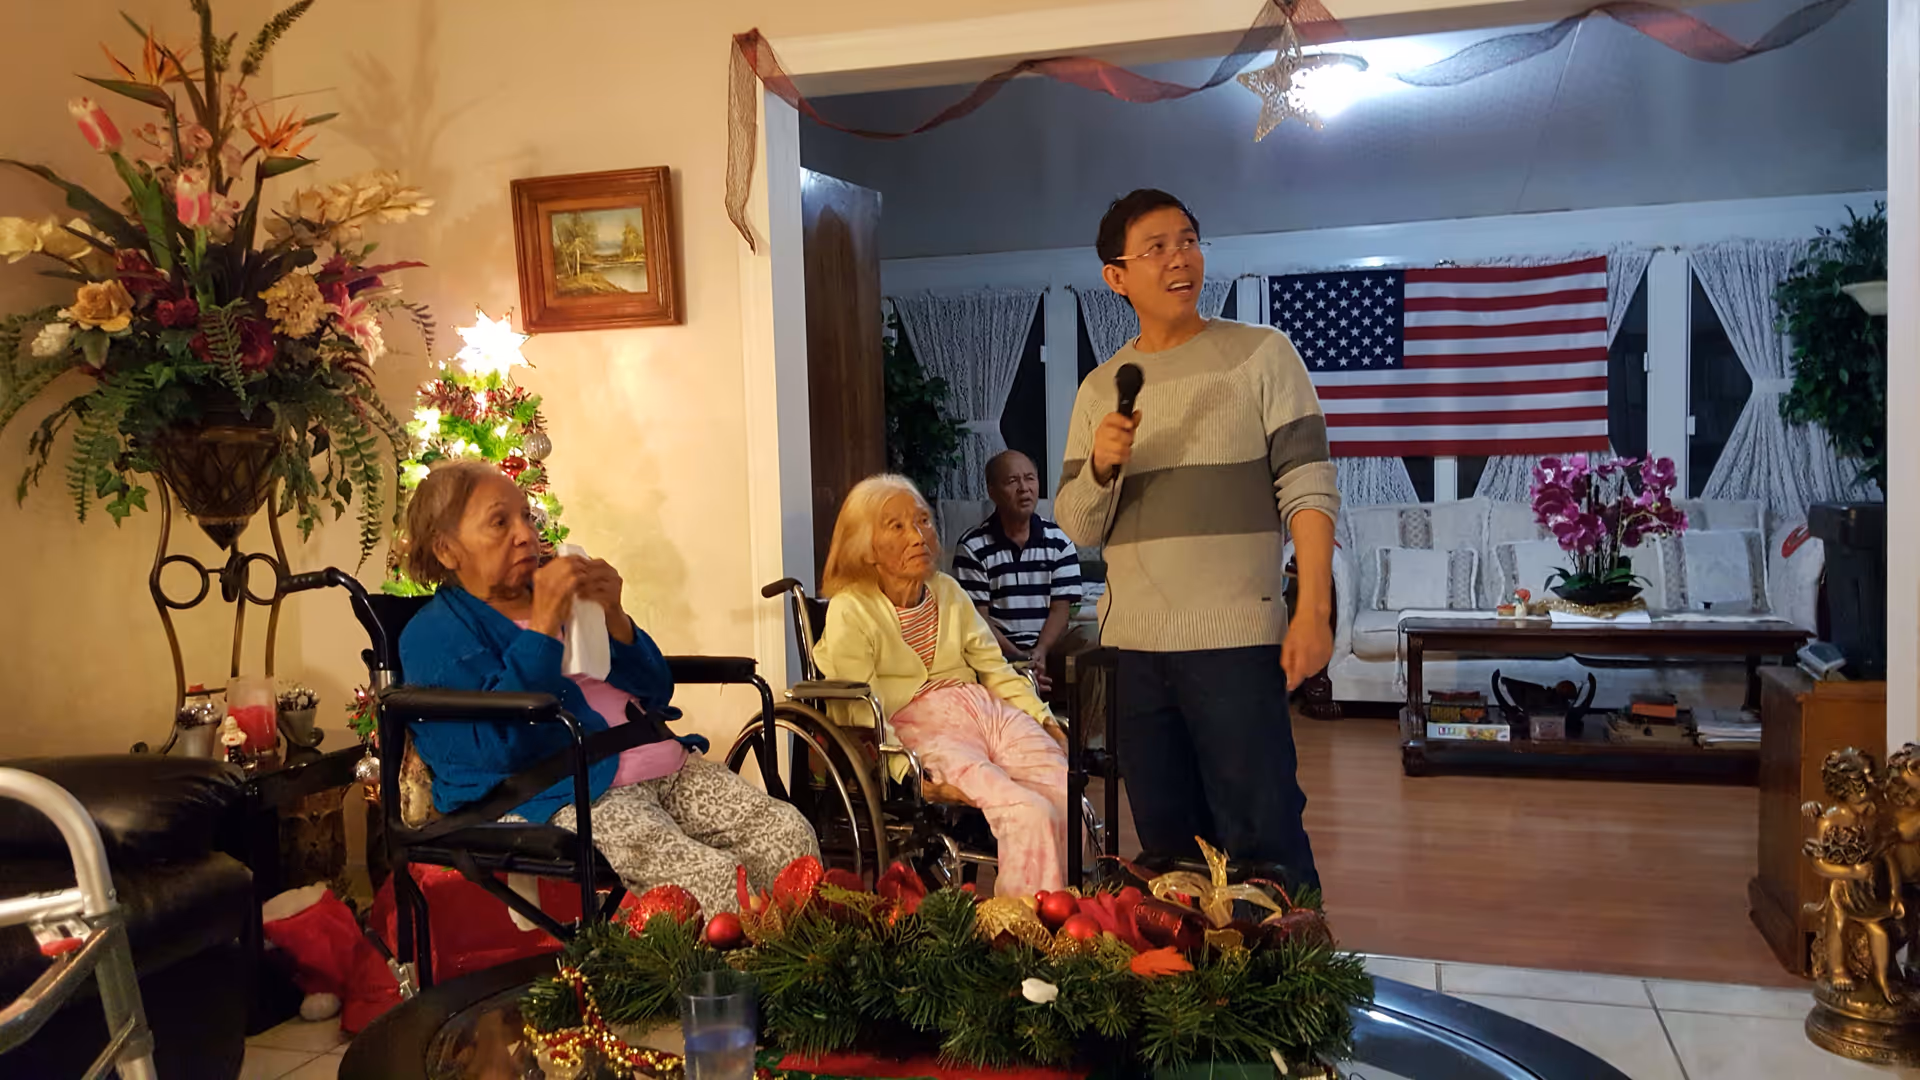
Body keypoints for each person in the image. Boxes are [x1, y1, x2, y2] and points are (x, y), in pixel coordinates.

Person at [1054, 189, 1339, 890]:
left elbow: (1309, 487)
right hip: (1136, 649)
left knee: (1262, 838)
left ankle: (1288, 992)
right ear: (1116, 276)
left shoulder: (1261, 356)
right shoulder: (1100, 390)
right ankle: (1188, 992)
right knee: (1170, 854)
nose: (1180, 257)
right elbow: (1080, 525)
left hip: (1236, 639)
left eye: (1188, 239)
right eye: (1156, 246)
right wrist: (1100, 465)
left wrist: (1313, 608)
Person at [397, 459, 818, 917]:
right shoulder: (433, 636)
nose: (525, 534)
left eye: (526, 516)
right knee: (715, 880)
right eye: (500, 522)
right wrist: (542, 627)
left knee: (788, 835)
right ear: (446, 550)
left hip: (665, 766)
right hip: (572, 790)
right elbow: (495, 748)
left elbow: (656, 691)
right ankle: (731, 985)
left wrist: (615, 617)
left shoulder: (564, 598)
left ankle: (798, 975)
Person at [813, 473, 1071, 897]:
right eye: (896, 526)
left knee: (1065, 789)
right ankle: (1025, 930)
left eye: (922, 521)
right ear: (866, 545)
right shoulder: (850, 610)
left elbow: (995, 668)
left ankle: (1076, 921)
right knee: (1026, 810)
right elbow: (858, 708)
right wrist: (906, 770)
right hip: (921, 728)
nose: (918, 536)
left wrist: (1043, 718)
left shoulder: (947, 591)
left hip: (988, 713)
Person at [952, 450, 1085, 694]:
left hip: (1049, 649)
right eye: (1012, 481)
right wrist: (1017, 659)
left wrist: (1040, 652)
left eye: (1030, 478)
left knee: (1092, 642)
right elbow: (978, 619)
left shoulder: (1060, 542)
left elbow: (1060, 609)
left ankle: (1081, 731)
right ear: (992, 491)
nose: (1024, 488)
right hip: (996, 652)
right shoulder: (973, 546)